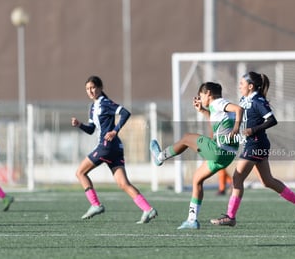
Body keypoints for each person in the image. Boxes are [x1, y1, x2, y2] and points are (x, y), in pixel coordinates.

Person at [210, 72, 295, 227]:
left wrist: (253, 130)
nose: (239, 86)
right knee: (267, 181)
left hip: (255, 144)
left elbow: (272, 120)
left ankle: (230, 217)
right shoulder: (244, 100)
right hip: (254, 143)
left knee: (237, 178)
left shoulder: (258, 101)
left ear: (250, 86)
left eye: (242, 83)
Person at [150, 82, 243, 229]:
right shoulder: (217, 109)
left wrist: (236, 128)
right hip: (227, 155)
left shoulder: (219, 103)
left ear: (208, 94)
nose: (200, 99)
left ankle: (160, 157)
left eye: (201, 96)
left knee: (187, 138)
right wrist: (203, 111)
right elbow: (214, 128)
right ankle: (192, 220)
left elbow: (239, 108)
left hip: (219, 151)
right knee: (197, 179)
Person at [71, 75, 157, 224]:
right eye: (87, 89)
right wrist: (80, 125)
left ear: (100, 88)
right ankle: (148, 209)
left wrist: (115, 130)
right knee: (123, 184)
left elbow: (125, 113)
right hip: (115, 148)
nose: (90, 91)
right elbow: (91, 129)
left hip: (107, 146)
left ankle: (95, 205)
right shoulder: (93, 107)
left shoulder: (104, 103)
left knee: (80, 172)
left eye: (93, 88)